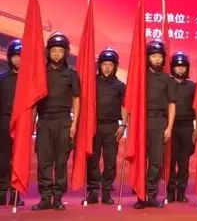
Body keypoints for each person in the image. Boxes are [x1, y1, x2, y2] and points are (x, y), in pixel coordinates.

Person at [31, 32, 81, 211]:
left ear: (66, 52)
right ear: (48, 52)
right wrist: (31, 123)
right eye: (54, 51)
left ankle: (58, 197)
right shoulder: (40, 72)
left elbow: (76, 99)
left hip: (63, 121)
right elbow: (33, 100)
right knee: (44, 160)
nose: (57, 54)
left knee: (60, 161)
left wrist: (74, 124)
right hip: (44, 121)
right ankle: (45, 197)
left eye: (60, 50)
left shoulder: (72, 74)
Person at [135, 39, 176, 209]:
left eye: (160, 56)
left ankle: (151, 194)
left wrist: (169, 127)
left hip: (160, 121)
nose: (157, 59)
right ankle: (140, 195)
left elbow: (171, 104)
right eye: (153, 56)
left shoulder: (168, 79)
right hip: (142, 121)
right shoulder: (140, 77)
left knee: (156, 161)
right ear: (148, 57)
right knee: (140, 159)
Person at [86, 48, 126, 205]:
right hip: (94, 126)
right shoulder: (91, 83)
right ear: (99, 66)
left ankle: (107, 191)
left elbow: (125, 106)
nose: (107, 67)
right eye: (104, 64)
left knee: (110, 161)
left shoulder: (120, 85)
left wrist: (124, 125)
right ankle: (93, 190)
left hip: (112, 127)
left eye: (110, 65)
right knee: (93, 160)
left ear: (115, 66)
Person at [167, 51, 197, 203]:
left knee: (184, 162)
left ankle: (181, 192)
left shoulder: (193, 86)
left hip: (187, 127)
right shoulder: (167, 84)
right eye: (177, 66)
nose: (180, 69)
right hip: (171, 128)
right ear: (172, 67)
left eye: (183, 66)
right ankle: (170, 191)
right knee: (170, 161)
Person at [0, 39, 23, 207]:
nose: (17, 59)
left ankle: (16, 193)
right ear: (9, 58)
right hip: (4, 121)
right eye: (14, 56)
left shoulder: (29, 80)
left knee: (18, 158)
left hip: (22, 122)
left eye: (20, 56)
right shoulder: (2, 78)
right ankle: (2, 191)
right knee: (3, 158)